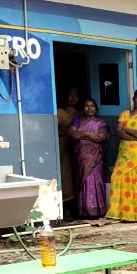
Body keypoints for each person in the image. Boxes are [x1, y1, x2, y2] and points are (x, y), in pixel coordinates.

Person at [105, 88, 137, 222]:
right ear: (134, 99)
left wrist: (128, 130)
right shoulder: (125, 114)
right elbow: (118, 132)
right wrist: (136, 136)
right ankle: (121, 213)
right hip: (126, 153)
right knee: (117, 177)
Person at [68, 98, 109, 219]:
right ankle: (83, 211)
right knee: (83, 182)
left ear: (96, 109)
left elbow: (102, 137)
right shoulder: (77, 120)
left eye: (92, 106)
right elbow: (72, 134)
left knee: (96, 180)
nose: (89, 108)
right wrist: (88, 134)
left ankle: (98, 210)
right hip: (80, 157)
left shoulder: (101, 122)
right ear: (83, 108)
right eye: (86, 106)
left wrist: (82, 135)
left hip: (96, 157)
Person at [56, 87, 80, 215]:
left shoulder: (81, 113)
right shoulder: (60, 112)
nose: (73, 98)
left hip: (79, 148)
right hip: (63, 146)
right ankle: (66, 207)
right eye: (70, 95)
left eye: (75, 95)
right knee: (66, 176)